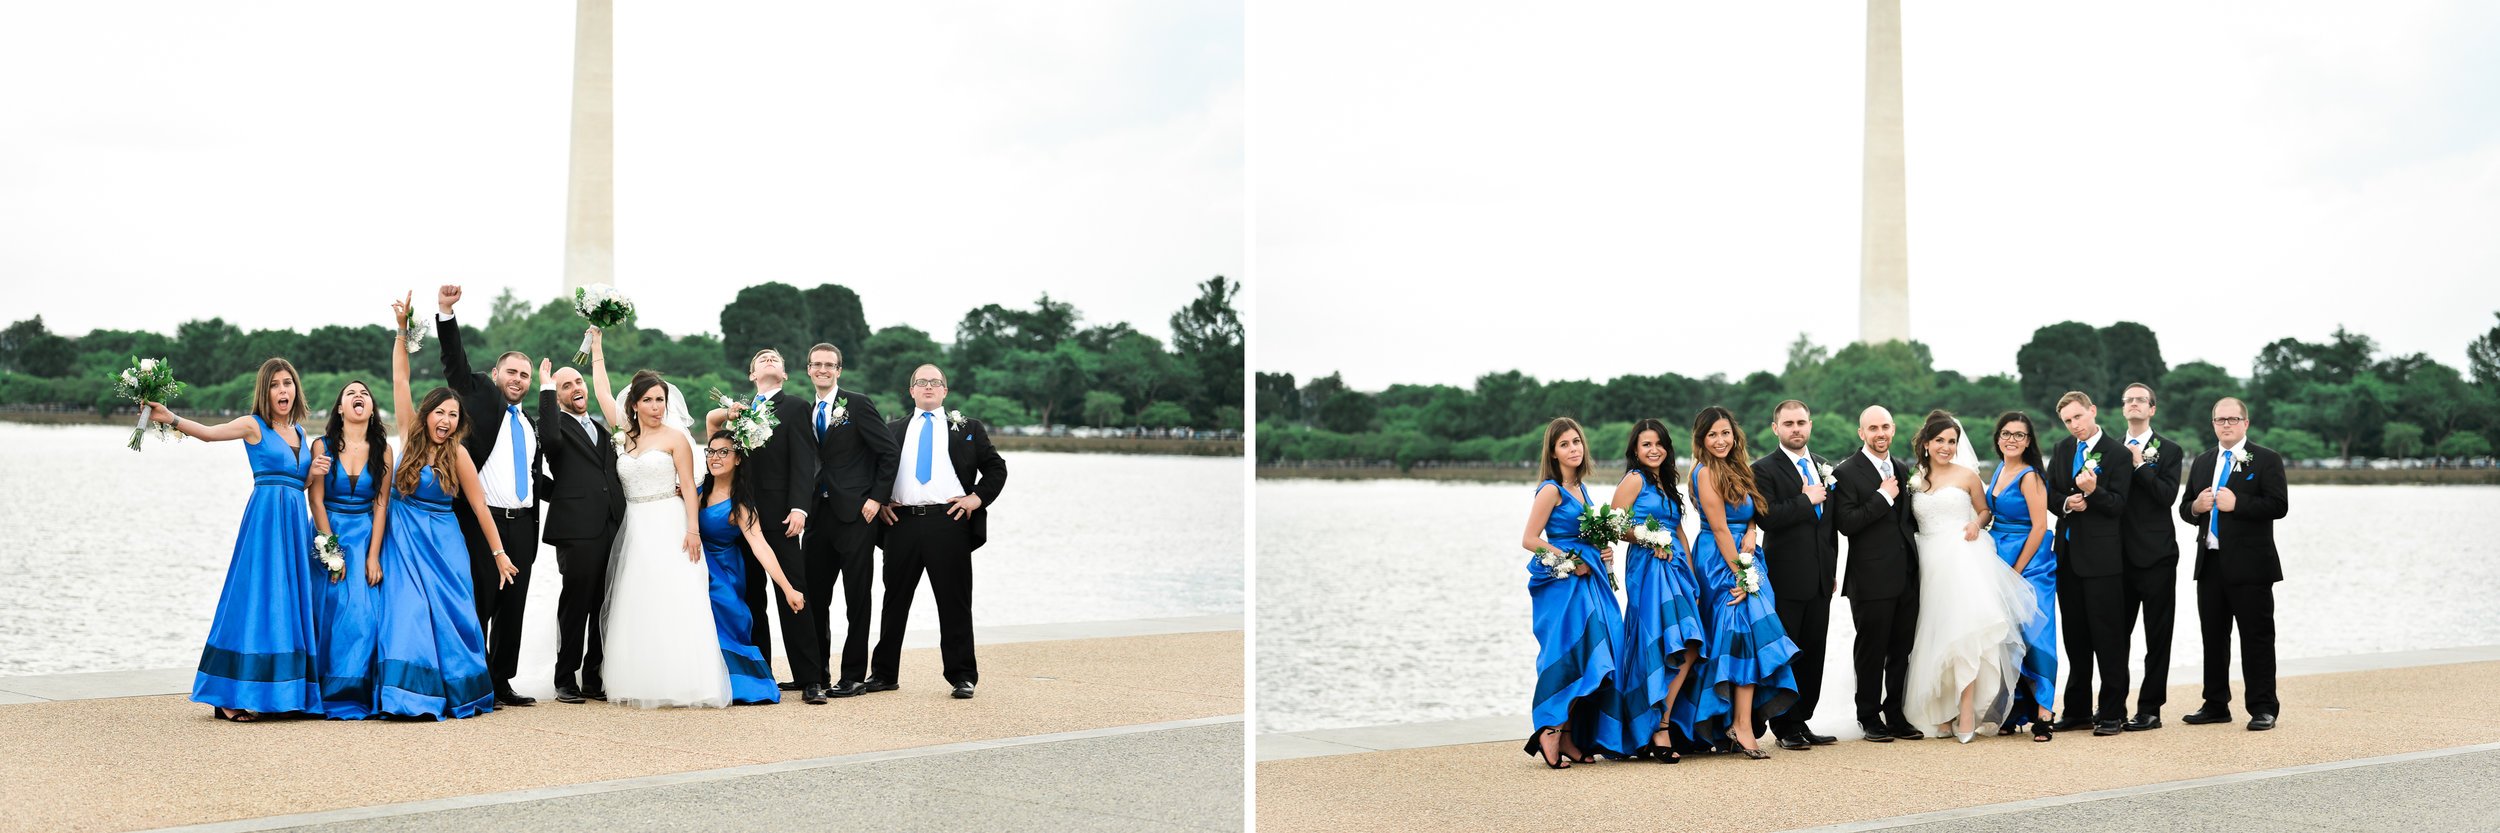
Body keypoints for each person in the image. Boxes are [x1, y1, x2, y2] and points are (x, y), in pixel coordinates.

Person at [148, 358, 321, 722]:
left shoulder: (301, 434)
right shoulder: (252, 425)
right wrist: (172, 418)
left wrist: (312, 473)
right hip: (265, 521)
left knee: (286, 601)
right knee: (256, 598)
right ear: (265, 391)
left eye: (287, 383)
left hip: (292, 521)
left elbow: (296, 484)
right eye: (275, 385)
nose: (282, 391)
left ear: (296, 389)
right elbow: (211, 434)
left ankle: (283, 691)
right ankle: (228, 694)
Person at [372, 294, 512, 719]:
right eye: (442, 412)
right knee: (409, 613)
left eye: (454, 415)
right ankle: (410, 696)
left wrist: (499, 553)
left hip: (445, 545)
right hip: (406, 542)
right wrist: (401, 331)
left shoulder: (459, 455)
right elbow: (400, 381)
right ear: (428, 412)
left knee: (453, 617)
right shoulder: (408, 434)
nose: (447, 420)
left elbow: (480, 506)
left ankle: (460, 693)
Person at [594, 363, 731, 709]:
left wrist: (693, 530)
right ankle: (642, 678)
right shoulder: (624, 436)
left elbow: (688, 486)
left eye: (661, 399)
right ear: (635, 404)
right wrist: (596, 347)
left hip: (670, 522)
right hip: (637, 523)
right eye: (649, 400)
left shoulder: (675, 438)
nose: (657, 406)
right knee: (638, 597)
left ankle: (687, 680)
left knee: (676, 594)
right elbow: (603, 394)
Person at [1896, 411, 2038, 743]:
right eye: (1940, 441)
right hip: (1928, 561)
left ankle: (1967, 705)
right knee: (1934, 635)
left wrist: (1976, 523)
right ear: (1927, 444)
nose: (1946, 447)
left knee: (1964, 634)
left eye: (1952, 441)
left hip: (1961, 558)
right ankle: (1942, 711)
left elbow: (1985, 510)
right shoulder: (1916, 478)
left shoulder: (1968, 475)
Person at [868, 364, 1007, 700]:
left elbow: (995, 468)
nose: (928, 387)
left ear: (945, 391)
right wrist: (880, 500)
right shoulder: (893, 429)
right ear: (911, 391)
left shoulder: (967, 427)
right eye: (921, 382)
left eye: (935, 382)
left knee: (954, 601)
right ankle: (884, 674)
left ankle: (962, 676)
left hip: (950, 522)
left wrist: (975, 498)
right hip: (900, 522)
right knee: (894, 601)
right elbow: (872, 468)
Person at [432, 284, 540, 708]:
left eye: (524, 375)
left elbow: (533, 476)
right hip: (483, 520)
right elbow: (454, 365)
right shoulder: (478, 394)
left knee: (514, 606)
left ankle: (502, 681)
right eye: (511, 372)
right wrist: (446, 312)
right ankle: (472, 679)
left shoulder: (528, 424)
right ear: (497, 375)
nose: (517, 380)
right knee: (482, 600)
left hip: (524, 522)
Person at [1686, 406, 1797, 760]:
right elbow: (1719, 527)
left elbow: (1750, 513)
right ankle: (1735, 723)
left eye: (1725, 433)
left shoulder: (1738, 468)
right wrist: (1741, 574)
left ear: (1735, 436)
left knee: (1751, 635)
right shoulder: (1704, 474)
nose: (1720, 440)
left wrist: (1750, 530)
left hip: (1747, 555)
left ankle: (1741, 722)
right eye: (1713, 435)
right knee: (1737, 634)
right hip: (1721, 559)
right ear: (1702, 440)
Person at [718, 348, 825, 702]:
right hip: (742, 518)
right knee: (751, 599)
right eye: (761, 360)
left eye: (774, 359)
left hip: (781, 517)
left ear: (784, 375)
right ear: (751, 376)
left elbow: (804, 460)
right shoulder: (740, 411)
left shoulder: (795, 406)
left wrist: (799, 508)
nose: (768, 361)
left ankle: (810, 678)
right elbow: (724, 459)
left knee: (792, 593)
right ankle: (760, 675)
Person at [1517, 416, 1624, 768]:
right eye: (1564, 444)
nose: (1573, 448)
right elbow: (1530, 540)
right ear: (1553, 451)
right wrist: (1571, 558)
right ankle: (1550, 731)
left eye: (1576, 441)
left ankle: (1566, 736)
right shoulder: (1551, 489)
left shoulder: (1581, 488)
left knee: (1596, 654)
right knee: (1570, 652)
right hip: (1564, 584)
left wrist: (1602, 549)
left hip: (1588, 579)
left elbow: (1585, 533)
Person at [2177, 397, 2288, 732]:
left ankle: (2263, 707)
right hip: (2209, 562)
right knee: (2213, 636)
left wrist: (2237, 503)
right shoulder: (2202, 461)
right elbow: (2184, 508)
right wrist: (2196, 506)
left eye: (2232, 419)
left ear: (2245, 423)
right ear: (2213, 424)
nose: (2225, 425)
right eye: (2219, 419)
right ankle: (2215, 704)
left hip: (2251, 566)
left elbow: (2278, 505)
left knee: (2256, 637)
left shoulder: (2266, 459)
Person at [797, 343, 899, 699]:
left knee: (857, 598)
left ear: (839, 370)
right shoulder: (806, 410)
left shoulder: (857, 404)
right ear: (808, 370)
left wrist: (876, 499)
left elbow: (888, 452)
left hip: (856, 515)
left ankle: (853, 676)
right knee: (814, 597)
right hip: (817, 515)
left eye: (830, 365)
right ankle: (817, 675)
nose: (823, 370)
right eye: (817, 364)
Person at [533, 351, 624, 704]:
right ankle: (564, 678)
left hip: (612, 527)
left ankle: (593, 676)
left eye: (578, 382)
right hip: (577, 531)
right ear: (556, 397)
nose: (575, 388)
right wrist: (561, 497)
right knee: (576, 604)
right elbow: (545, 457)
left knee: (605, 603)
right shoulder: (553, 427)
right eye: (565, 385)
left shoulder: (602, 430)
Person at [1750, 399, 1841, 749]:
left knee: (1815, 652)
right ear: (1776, 429)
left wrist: (1831, 569)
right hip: (1785, 577)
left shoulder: (1820, 466)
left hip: (1820, 577)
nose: (1796, 429)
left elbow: (1829, 526)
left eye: (1801, 422)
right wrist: (1805, 500)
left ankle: (1803, 720)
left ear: (1810, 425)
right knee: (1787, 651)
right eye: (1788, 424)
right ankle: (1783, 726)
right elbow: (1767, 517)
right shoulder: (1764, 469)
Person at [1611, 418, 1703, 763]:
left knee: (1690, 642)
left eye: (1659, 443)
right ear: (1635, 449)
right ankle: (1654, 728)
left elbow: (1678, 531)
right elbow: (1615, 525)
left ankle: (1661, 720)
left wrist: (1692, 578)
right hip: (1647, 568)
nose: (1654, 450)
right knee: (1656, 641)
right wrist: (1648, 538)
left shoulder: (1666, 483)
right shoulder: (1633, 480)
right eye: (1646, 444)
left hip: (1676, 567)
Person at [696, 430, 808, 705]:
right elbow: (712, 419)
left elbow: (761, 548)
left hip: (724, 569)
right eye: (711, 451)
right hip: (697, 562)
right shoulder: (697, 489)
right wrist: (733, 412)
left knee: (728, 616)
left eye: (724, 452)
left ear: (737, 460)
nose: (715, 457)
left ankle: (738, 682)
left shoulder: (741, 504)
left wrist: (788, 588)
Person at [2045, 391, 2133, 736]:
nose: (2074, 426)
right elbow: (2050, 493)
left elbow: (2119, 505)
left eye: (2078, 417)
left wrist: (2094, 493)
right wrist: (2066, 502)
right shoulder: (2063, 449)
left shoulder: (2118, 454)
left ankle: (2113, 712)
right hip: (2067, 559)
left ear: (2092, 411)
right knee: (2075, 638)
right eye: (2068, 421)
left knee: (2109, 639)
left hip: (2103, 561)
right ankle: (2078, 710)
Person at [1832, 405, 1920, 742]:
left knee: (1901, 650)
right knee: (1870, 651)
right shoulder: (1846, 472)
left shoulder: (1900, 466)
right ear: (1861, 433)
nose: (1880, 433)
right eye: (1873, 428)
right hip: (1869, 579)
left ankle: (1895, 713)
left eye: (1885, 427)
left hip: (1906, 575)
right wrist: (1883, 496)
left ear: (1893, 429)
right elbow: (1846, 523)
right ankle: (1868, 716)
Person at [308, 379, 392, 719]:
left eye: (365, 394)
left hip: (366, 535)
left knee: (366, 612)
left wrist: (373, 555)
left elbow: (382, 503)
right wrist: (332, 552)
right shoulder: (322, 445)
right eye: (350, 393)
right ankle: (323, 688)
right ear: (340, 408)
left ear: (371, 409)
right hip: (329, 532)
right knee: (328, 607)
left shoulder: (383, 449)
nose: (359, 397)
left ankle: (356, 688)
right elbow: (315, 498)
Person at [1983, 411, 2058, 741]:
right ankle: (2014, 709)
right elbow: (1991, 512)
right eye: (2006, 434)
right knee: (2006, 636)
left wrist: (2016, 571)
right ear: (1998, 437)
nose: (2011, 440)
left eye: (2019, 435)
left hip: (2030, 562)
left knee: (2036, 634)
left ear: (2029, 442)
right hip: (1998, 556)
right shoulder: (1999, 468)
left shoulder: (2030, 476)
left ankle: (2044, 711)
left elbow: (2040, 527)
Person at [2115, 382, 2184, 732]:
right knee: (2116, 636)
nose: (2135, 404)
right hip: (2117, 558)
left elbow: (2166, 497)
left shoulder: (2169, 450)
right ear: (2123, 408)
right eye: (2129, 400)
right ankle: (2113, 706)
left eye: (2141, 400)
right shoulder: (2109, 450)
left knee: (2158, 636)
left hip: (2157, 557)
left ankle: (2150, 709)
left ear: (2152, 409)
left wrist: (2141, 465)